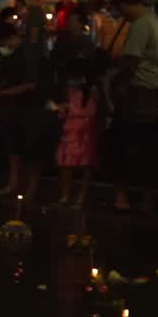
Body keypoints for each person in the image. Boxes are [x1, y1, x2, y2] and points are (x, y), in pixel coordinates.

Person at [111, 0, 158, 213]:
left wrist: (115, 84)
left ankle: (122, 197)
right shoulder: (155, 21)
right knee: (149, 149)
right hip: (153, 91)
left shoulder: (139, 25)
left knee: (123, 146)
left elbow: (130, 63)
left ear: (126, 5)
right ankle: (147, 200)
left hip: (135, 92)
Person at [0, 22, 47, 200]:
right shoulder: (10, 56)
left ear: (13, 37)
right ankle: (13, 184)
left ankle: (31, 188)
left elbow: (31, 85)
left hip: (31, 107)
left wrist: (2, 93)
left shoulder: (30, 54)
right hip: (13, 107)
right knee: (13, 147)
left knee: (30, 149)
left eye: (5, 42)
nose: (4, 47)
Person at [54, 56, 100, 207]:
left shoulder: (90, 90)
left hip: (82, 130)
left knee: (82, 164)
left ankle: (78, 196)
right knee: (70, 164)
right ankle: (68, 195)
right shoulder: (71, 89)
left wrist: (67, 110)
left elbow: (91, 111)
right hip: (73, 129)